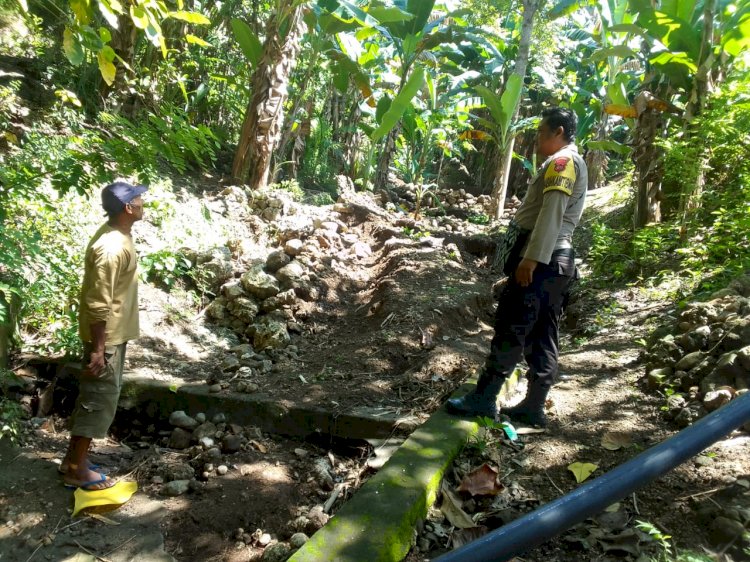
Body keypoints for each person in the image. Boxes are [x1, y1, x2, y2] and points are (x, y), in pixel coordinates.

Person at [446, 107, 588, 427]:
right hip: (557, 263)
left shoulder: (563, 162)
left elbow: (551, 213)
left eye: (542, 132)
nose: (537, 138)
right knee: (543, 332)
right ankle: (533, 405)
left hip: (544, 261)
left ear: (559, 132)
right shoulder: (567, 161)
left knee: (513, 325)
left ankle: (484, 398)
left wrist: (531, 259)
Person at [61, 181, 147, 489]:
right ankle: (75, 468)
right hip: (105, 339)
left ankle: (73, 460)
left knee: (96, 399)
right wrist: (98, 350)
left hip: (111, 335)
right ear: (127, 208)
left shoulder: (119, 235)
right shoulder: (111, 247)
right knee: (97, 401)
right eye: (138, 199)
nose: (142, 202)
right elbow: (98, 302)